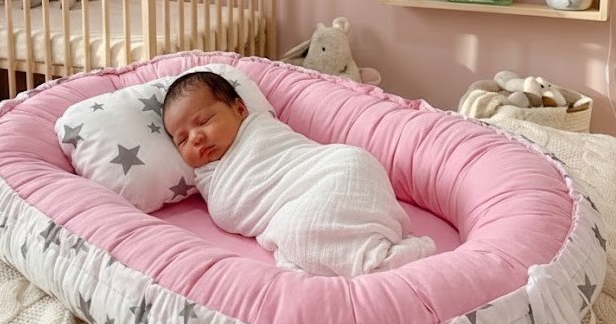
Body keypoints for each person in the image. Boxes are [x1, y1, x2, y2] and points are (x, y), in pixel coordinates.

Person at [162, 71, 435, 278]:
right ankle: (377, 245)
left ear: (240, 109)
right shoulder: (209, 176)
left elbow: (289, 162)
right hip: (311, 193)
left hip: (339, 168)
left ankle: (381, 260)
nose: (195, 138)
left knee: (304, 230)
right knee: (299, 231)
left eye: (204, 121)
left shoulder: (261, 130)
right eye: (182, 139)